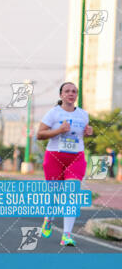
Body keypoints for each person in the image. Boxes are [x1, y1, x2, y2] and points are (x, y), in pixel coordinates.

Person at [36, 82, 93, 246]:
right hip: (54, 157)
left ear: (76, 95)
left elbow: (81, 135)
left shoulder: (83, 115)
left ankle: (67, 235)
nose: (71, 94)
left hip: (76, 158)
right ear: (61, 95)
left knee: (71, 195)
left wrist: (89, 132)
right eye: (67, 91)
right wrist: (59, 131)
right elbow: (40, 135)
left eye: (74, 91)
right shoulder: (53, 114)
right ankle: (49, 218)